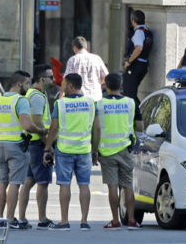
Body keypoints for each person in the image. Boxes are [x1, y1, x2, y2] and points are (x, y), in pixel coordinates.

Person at [0, 70, 47, 230]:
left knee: (2, 182)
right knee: (15, 183)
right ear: (19, 84)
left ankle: (0, 217)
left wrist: (5, 126)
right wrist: (40, 130)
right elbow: (27, 125)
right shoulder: (21, 101)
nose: (28, 86)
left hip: (2, 144)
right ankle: (11, 219)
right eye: (27, 83)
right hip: (18, 145)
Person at [42, 73, 95, 231]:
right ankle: (84, 221)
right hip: (85, 149)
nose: (62, 86)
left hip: (64, 150)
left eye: (64, 83)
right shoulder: (91, 103)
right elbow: (96, 128)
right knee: (84, 185)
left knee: (64, 185)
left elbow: (54, 127)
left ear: (71, 86)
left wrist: (47, 147)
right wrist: (96, 149)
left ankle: (64, 221)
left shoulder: (61, 104)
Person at [92, 73, 142, 230]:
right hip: (125, 149)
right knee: (128, 186)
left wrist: (94, 150)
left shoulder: (98, 105)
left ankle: (115, 221)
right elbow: (140, 127)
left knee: (112, 187)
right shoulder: (131, 103)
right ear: (121, 85)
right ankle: (132, 220)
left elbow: (97, 128)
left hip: (106, 151)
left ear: (105, 86)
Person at [17, 64, 56, 230]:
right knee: (43, 182)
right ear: (42, 79)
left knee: (29, 181)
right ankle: (42, 218)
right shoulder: (38, 96)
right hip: (38, 143)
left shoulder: (35, 93)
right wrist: (47, 144)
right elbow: (38, 121)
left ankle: (22, 217)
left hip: (31, 143)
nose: (53, 80)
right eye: (51, 77)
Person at [64, 36, 109, 102]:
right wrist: (98, 83)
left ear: (74, 48)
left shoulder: (72, 60)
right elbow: (106, 77)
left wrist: (62, 93)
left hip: (80, 100)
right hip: (96, 98)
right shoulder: (97, 58)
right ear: (86, 47)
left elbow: (66, 79)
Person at [123, 10, 153, 106]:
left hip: (135, 66)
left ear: (133, 21)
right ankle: (139, 114)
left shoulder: (139, 32)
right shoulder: (147, 31)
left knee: (129, 94)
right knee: (131, 94)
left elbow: (138, 48)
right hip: (143, 65)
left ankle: (140, 115)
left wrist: (128, 61)